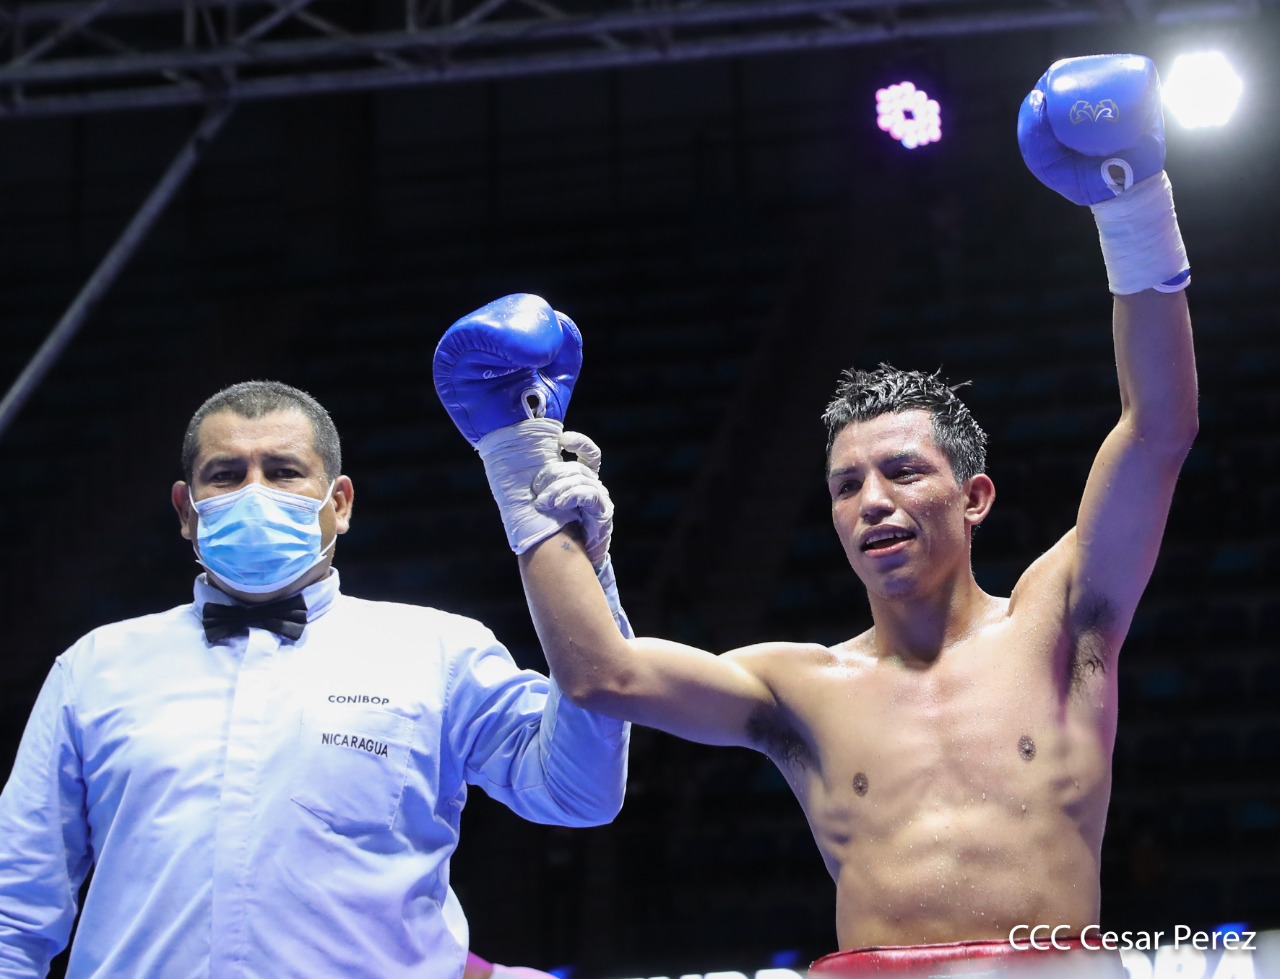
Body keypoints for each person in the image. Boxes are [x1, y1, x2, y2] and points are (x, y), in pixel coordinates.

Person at [433, 54, 1195, 976]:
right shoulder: (795, 686)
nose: (872, 501)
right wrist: (516, 460)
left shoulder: (1061, 618)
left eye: (902, 472)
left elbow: (1157, 429)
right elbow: (603, 675)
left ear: (975, 497)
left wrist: (1130, 198)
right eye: (845, 485)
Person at [0, 380, 631, 979]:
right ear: (186, 511)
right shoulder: (95, 667)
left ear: (340, 503)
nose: (254, 492)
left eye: (283, 472)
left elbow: (578, 793)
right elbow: (14, 904)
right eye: (226, 474)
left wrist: (588, 575)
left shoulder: (441, 651)